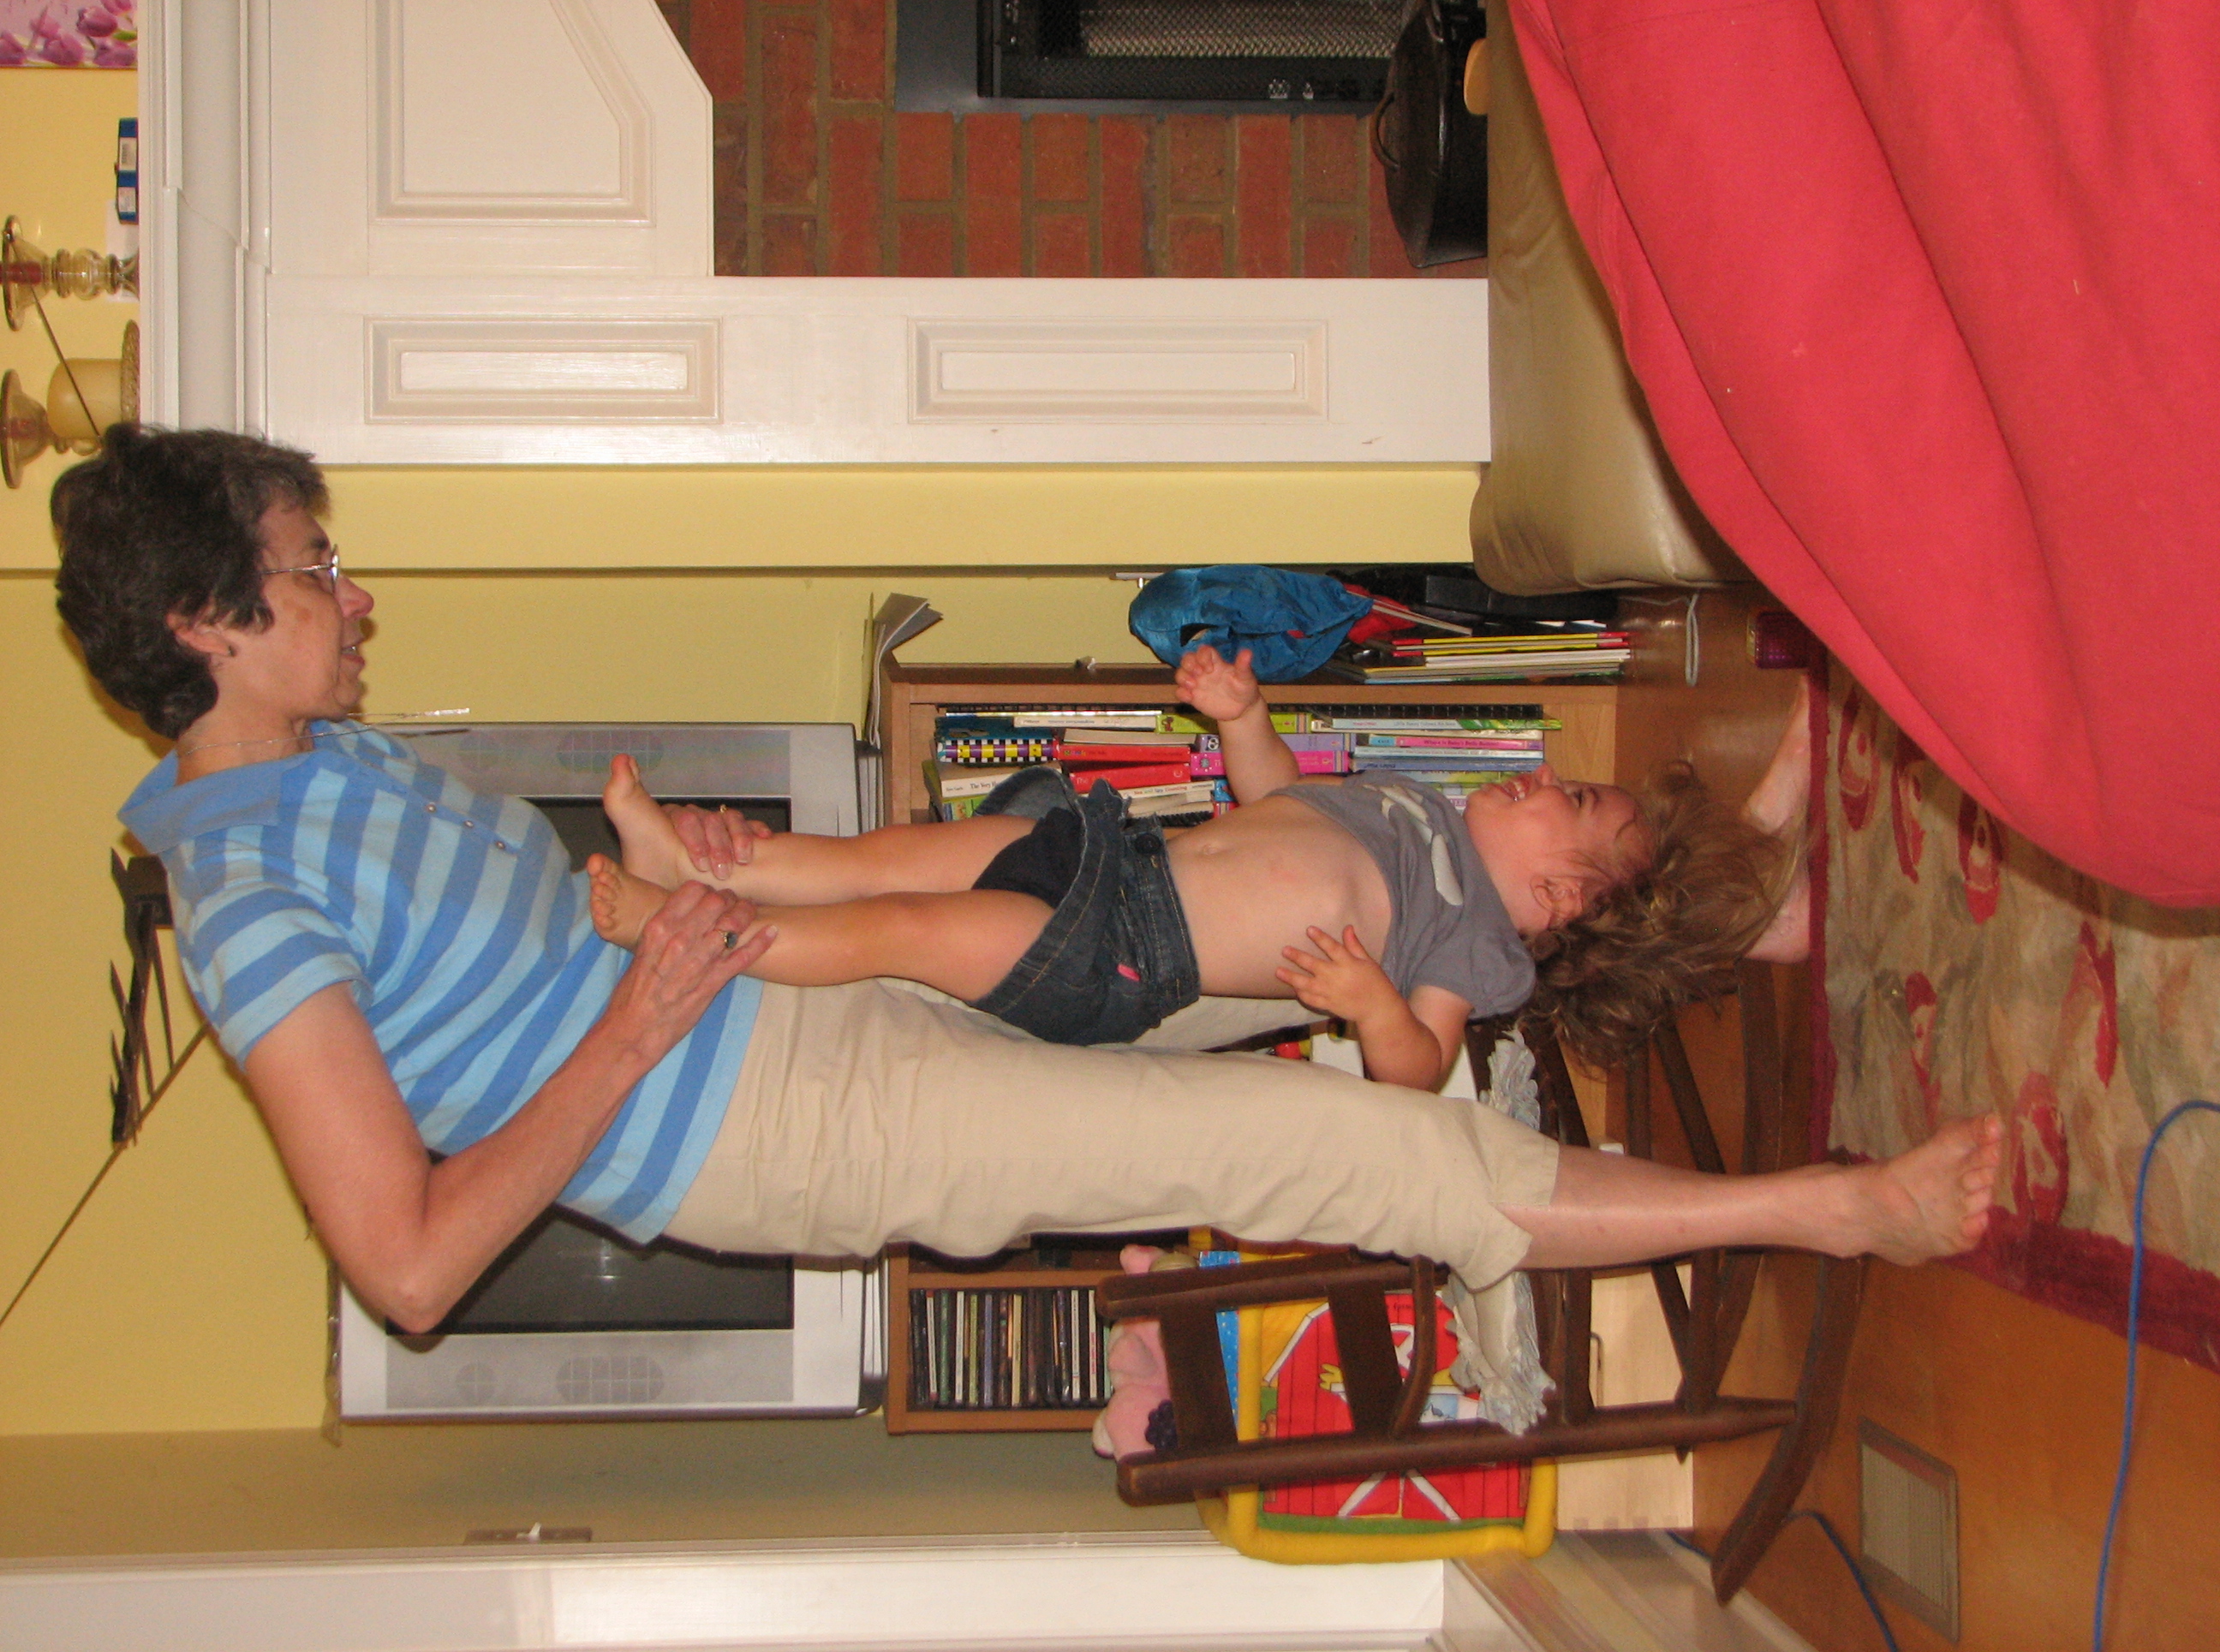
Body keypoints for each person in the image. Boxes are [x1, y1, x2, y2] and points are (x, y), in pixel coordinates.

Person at [54, 425, 1999, 1414]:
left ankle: (1725, 895)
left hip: (762, 990)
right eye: (314, 570)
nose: (357, 595)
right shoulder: (247, 904)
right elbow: (405, 1263)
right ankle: (1833, 1208)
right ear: (209, 623)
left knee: (1318, 935)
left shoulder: (323, 763)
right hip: (769, 1114)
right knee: (1345, 1144)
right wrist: (637, 1022)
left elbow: (514, 960)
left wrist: (675, 888)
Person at [586, 647, 1780, 1086]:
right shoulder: (1415, 806)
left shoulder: (1472, 943)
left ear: (1561, 895)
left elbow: (1417, 1068)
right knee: (885, 858)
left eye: (1574, 800)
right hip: (1108, 855)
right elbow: (1277, 799)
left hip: (1113, 958)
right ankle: (701, 862)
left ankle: (675, 926)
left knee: (897, 928)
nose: (1544, 775)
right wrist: (1244, 719)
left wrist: (1372, 1004)